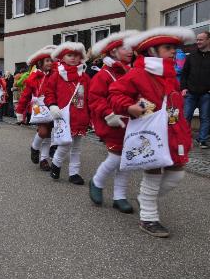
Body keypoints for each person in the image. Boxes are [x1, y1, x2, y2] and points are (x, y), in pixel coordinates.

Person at [110, 27, 195, 237]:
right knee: (154, 173)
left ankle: (145, 198)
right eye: (168, 47)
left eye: (174, 48)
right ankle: (148, 217)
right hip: (150, 132)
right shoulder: (138, 73)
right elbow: (116, 93)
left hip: (172, 131)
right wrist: (129, 107)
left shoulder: (170, 75)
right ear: (152, 51)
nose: (173, 51)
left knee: (177, 173)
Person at [88, 31, 137, 213]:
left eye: (132, 47)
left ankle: (120, 196)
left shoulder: (132, 72)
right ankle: (97, 181)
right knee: (116, 157)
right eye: (125, 48)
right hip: (114, 122)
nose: (130, 51)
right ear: (113, 52)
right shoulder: (104, 75)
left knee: (127, 159)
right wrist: (109, 114)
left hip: (132, 121)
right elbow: (95, 99)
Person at [45, 42, 90, 184]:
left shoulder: (85, 77)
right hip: (63, 116)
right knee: (65, 144)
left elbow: (90, 97)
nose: (73, 58)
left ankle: (74, 173)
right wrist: (52, 105)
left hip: (80, 116)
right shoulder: (57, 75)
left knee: (76, 147)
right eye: (70, 55)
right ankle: (56, 165)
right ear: (63, 57)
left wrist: (92, 116)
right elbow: (49, 92)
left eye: (76, 56)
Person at [15, 45, 56, 171]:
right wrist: (20, 111)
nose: (50, 63)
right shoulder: (33, 78)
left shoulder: (55, 76)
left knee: (49, 133)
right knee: (43, 131)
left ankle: (44, 159)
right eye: (47, 60)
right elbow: (25, 96)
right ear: (40, 63)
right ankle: (34, 147)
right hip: (38, 106)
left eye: (51, 60)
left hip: (51, 106)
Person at [180, 31, 210, 149]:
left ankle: (202, 140)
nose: (198, 42)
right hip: (190, 93)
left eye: (201, 39)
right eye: (197, 40)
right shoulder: (191, 56)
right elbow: (184, 74)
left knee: (205, 117)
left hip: (206, 94)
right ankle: (184, 139)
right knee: (186, 116)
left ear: (208, 40)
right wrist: (183, 88)